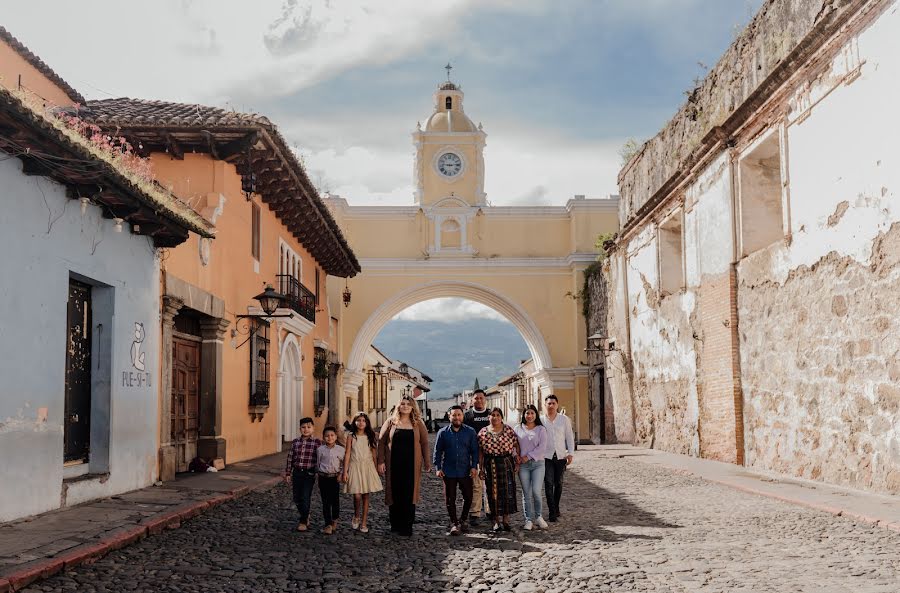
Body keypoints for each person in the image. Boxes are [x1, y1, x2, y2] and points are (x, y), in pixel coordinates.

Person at [377, 395, 431, 536]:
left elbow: (424, 443)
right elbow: (381, 442)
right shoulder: (391, 422)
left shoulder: (418, 423)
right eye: (402, 403)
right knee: (394, 493)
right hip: (393, 464)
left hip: (411, 465)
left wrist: (427, 462)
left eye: (408, 404)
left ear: (413, 407)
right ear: (398, 406)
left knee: (409, 493)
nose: (405, 406)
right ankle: (395, 525)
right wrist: (380, 461)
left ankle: (407, 526)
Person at [433, 405, 479, 536]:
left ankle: (463, 519)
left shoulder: (470, 432)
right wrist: (438, 468)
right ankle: (454, 523)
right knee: (450, 499)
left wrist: (474, 466)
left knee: (468, 497)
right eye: (454, 415)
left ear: (462, 416)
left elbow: (475, 451)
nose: (457, 417)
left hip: (465, 470)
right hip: (449, 471)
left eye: (459, 415)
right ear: (449, 416)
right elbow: (437, 451)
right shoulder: (443, 433)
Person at [477, 407, 520, 532]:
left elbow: (517, 445)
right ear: (489, 417)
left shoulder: (508, 430)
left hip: (506, 463)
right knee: (492, 492)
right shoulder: (483, 432)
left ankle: (506, 520)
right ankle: (495, 521)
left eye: (497, 415)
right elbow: (480, 452)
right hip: (490, 464)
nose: (495, 417)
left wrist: (517, 461)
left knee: (507, 491)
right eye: (492, 415)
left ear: (501, 417)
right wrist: (481, 468)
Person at [342, 412, 382, 534]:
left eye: (363, 420)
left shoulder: (371, 435)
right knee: (357, 495)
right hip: (355, 466)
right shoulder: (351, 436)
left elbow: (374, 454)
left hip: (367, 467)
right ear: (354, 422)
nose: (361, 422)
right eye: (358, 420)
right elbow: (347, 453)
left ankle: (364, 522)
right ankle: (356, 515)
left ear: (367, 423)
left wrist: (375, 469)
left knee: (365, 495)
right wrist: (345, 470)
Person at [284, 417, 323, 532]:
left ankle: (303, 521)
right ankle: (306, 514)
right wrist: (288, 473)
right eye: (303, 427)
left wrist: (318, 472)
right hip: (297, 473)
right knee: (297, 498)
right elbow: (290, 457)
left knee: (305, 497)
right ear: (300, 429)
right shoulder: (296, 442)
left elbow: (320, 458)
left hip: (309, 473)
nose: (306, 429)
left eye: (308, 427)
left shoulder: (317, 443)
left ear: (313, 428)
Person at [541, 394, 575, 522]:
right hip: (546, 457)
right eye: (548, 403)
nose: (551, 405)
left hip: (561, 456)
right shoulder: (541, 420)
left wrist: (570, 453)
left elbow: (569, 437)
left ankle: (556, 507)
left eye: (553, 403)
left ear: (557, 405)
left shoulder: (564, 419)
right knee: (548, 483)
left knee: (558, 484)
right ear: (545, 405)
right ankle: (552, 511)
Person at [514, 404, 548, 531]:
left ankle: (539, 517)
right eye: (527, 413)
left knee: (536, 491)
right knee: (526, 493)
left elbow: (542, 447)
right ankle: (528, 520)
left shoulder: (541, 429)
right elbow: (514, 445)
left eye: (532, 413)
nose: (529, 416)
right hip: (523, 466)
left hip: (538, 464)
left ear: (536, 415)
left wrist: (528, 456)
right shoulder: (518, 428)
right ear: (523, 415)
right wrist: (516, 456)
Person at [463, 389, 491, 525]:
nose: (478, 400)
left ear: (485, 399)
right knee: (476, 485)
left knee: (490, 484)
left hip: (490, 455)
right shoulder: (467, 416)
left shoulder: (491, 414)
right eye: (476, 398)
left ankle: (490, 510)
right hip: (473, 455)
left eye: (481, 398)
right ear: (472, 400)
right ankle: (474, 512)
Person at [316, 426, 345, 534]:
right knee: (325, 502)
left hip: (334, 478)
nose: (330, 437)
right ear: (323, 437)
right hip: (323, 478)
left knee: (335, 500)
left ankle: (335, 519)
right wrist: (318, 475)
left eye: (332, 435)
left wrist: (341, 474)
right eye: (327, 436)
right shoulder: (320, 450)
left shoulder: (341, 450)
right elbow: (318, 463)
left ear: (336, 437)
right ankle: (327, 524)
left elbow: (344, 464)